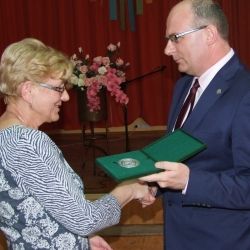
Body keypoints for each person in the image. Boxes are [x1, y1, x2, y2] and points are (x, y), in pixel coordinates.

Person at [0, 38, 155, 250]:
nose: (65, 97)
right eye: (58, 88)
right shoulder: (28, 142)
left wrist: (83, 239)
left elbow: (29, 213)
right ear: (28, 90)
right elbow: (85, 219)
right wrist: (129, 189)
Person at [139, 0, 250, 249]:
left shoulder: (246, 93)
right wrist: (157, 184)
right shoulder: (184, 86)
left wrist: (190, 182)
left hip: (221, 240)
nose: (168, 49)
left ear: (209, 34)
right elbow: (181, 153)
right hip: (180, 235)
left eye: (176, 37)